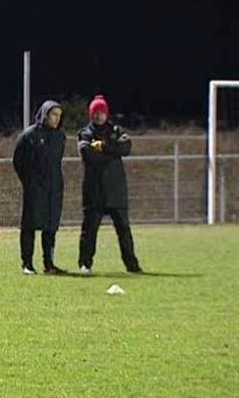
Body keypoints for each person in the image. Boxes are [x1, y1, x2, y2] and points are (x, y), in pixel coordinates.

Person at [76, 94, 142, 275]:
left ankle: (132, 265)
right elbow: (87, 154)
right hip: (94, 191)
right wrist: (112, 153)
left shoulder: (117, 131)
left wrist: (104, 147)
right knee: (89, 232)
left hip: (116, 190)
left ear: (107, 114)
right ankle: (85, 264)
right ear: (91, 114)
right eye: (95, 113)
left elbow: (126, 148)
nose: (99, 116)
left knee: (124, 230)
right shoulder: (85, 133)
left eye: (101, 112)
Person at [13, 100, 68, 275]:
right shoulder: (29, 135)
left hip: (54, 189)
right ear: (45, 114)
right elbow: (18, 161)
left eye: (59, 115)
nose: (56, 119)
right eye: (53, 114)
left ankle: (49, 263)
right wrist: (29, 181)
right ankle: (27, 264)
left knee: (50, 227)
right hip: (35, 189)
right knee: (30, 225)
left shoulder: (60, 137)